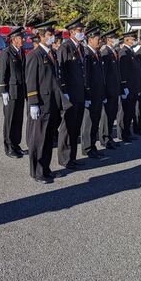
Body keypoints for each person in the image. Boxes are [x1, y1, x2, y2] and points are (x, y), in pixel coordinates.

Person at [25, 21, 63, 184]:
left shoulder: (52, 53)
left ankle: (46, 168)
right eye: (48, 35)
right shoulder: (35, 55)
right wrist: (33, 102)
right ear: (40, 36)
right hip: (40, 103)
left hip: (52, 102)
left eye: (52, 35)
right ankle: (37, 171)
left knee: (48, 138)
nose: (51, 37)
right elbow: (31, 80)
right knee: (39, 139)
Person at [56, 16, 87, 170]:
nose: (83, 33)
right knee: (67, 128)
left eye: (83, 30)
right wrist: (64, 92)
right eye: (80, 31)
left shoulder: (80, 48)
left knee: (76, 127)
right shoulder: (65, 47)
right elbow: (60, 71)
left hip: (79, 94)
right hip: (70, 95)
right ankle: (64, 159)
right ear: (72, 32)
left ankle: (72, 157)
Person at [0, 26, 27, 158]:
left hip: (20, 91)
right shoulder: (6, 53)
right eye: (21, 38)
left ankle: (16, 144)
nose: (23, 40)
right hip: (11, 91)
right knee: (10, 120)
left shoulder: (21, 52)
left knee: (18, 119)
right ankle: (9, 147)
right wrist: (3, 90)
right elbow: (2, 73)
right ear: (14, 40)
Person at [80, 27, 106, 158]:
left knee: (95, 120)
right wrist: (87, 94)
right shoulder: (87, 54)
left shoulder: (97, 53)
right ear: (90, 40)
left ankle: (92, 145)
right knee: (89, 121)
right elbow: (86, 76)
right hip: (91, 94)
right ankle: (87, 147)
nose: (100, 41)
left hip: (99, 93)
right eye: (97, 39)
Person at [117, 30, 141, 142]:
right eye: (133, 39)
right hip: (128, 87)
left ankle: (127, 132)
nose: (135, 41)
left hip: (133, 87)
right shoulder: (124, 52)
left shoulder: (130, 51)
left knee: (130, 112)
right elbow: (123, 71)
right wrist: (124, 86)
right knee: (125, 112)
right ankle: (123, 134)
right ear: (127, 40)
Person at [99, 29, 121, 149]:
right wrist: (105, 91)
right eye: (114, 38)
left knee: (112, 114)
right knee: (106, 115)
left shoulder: (113, 52)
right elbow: (104, 75)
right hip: (108, 90)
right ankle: (104, 138)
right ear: (108, 40)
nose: (116, 40)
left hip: (115, 89)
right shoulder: (105, 53)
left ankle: (109, 137)